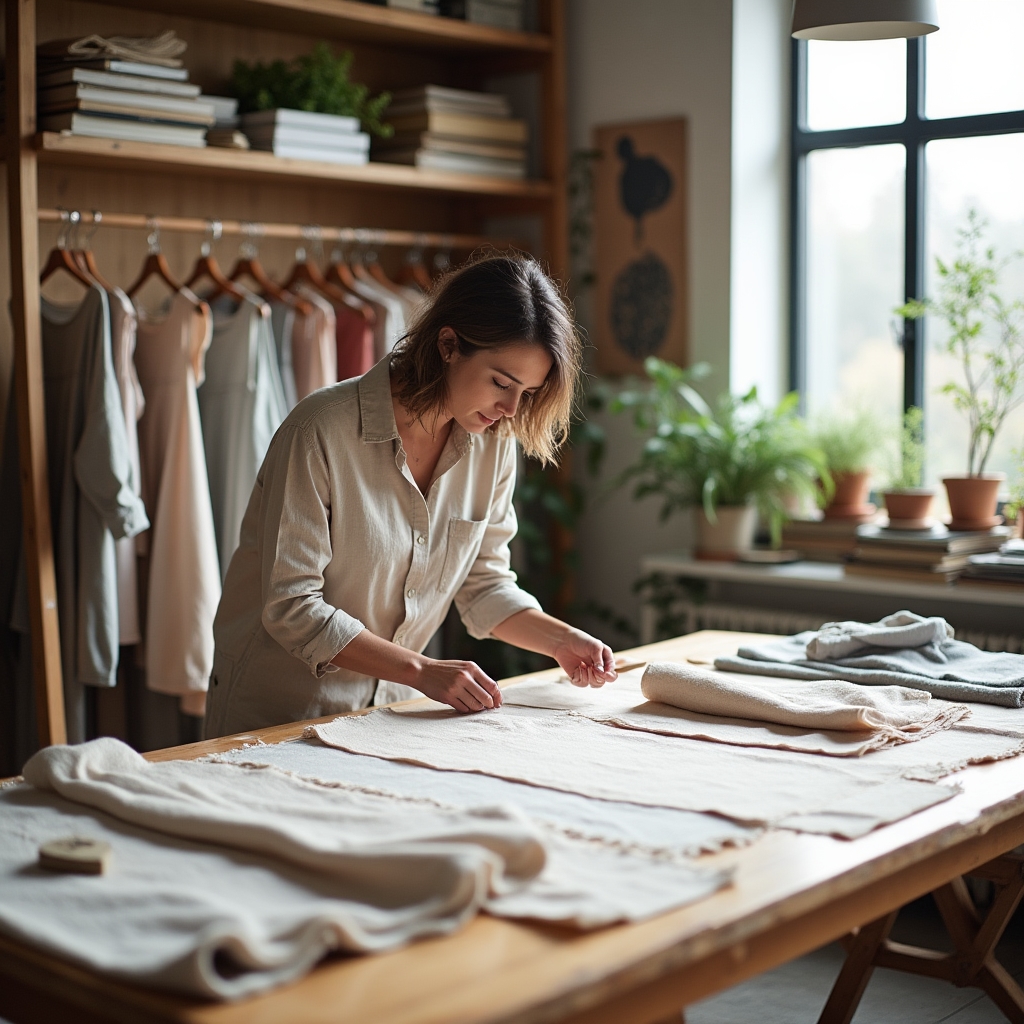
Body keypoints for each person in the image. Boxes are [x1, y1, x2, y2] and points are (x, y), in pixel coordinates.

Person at [204, 253, 617, 738]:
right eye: (501, 383)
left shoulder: (493, 446)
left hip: (388, 716)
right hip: (276, 714)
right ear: (448, 345)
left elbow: (484, 585)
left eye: (526, 392)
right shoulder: (319, 431)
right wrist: (421, 671)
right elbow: (292, 606)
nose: (510, 408)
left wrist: (560, 640)